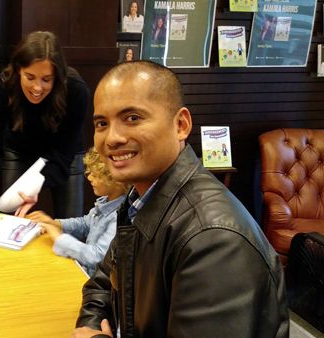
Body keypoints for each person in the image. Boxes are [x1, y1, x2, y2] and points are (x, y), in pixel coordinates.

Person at [72, 61, 288, 337]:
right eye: (102, 123)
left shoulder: (214, 238)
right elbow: (101, 285)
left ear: (181, 125)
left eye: (132, 118)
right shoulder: (141, 200)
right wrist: (89, 326)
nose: (111, 138)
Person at [0, 31, 90, 236]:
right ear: (18, 69)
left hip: (64, 156)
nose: (37, 87)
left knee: (69, 229)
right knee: (10, 223)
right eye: (30, 77)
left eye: (47, 79)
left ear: (58, 76)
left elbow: (64, 153)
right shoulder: (4, 87)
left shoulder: (75, 90)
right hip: (19, 150)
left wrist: (37, 185)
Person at [25, 147, 128, 276]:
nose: (89, 178)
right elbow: (86, 223)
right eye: (89, 172)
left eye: (96, 175)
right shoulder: (106, 202)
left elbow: (97, 257)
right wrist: (55, 223)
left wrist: (59, 238)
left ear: (117, 181)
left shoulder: (119, 217)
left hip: (98, 285)